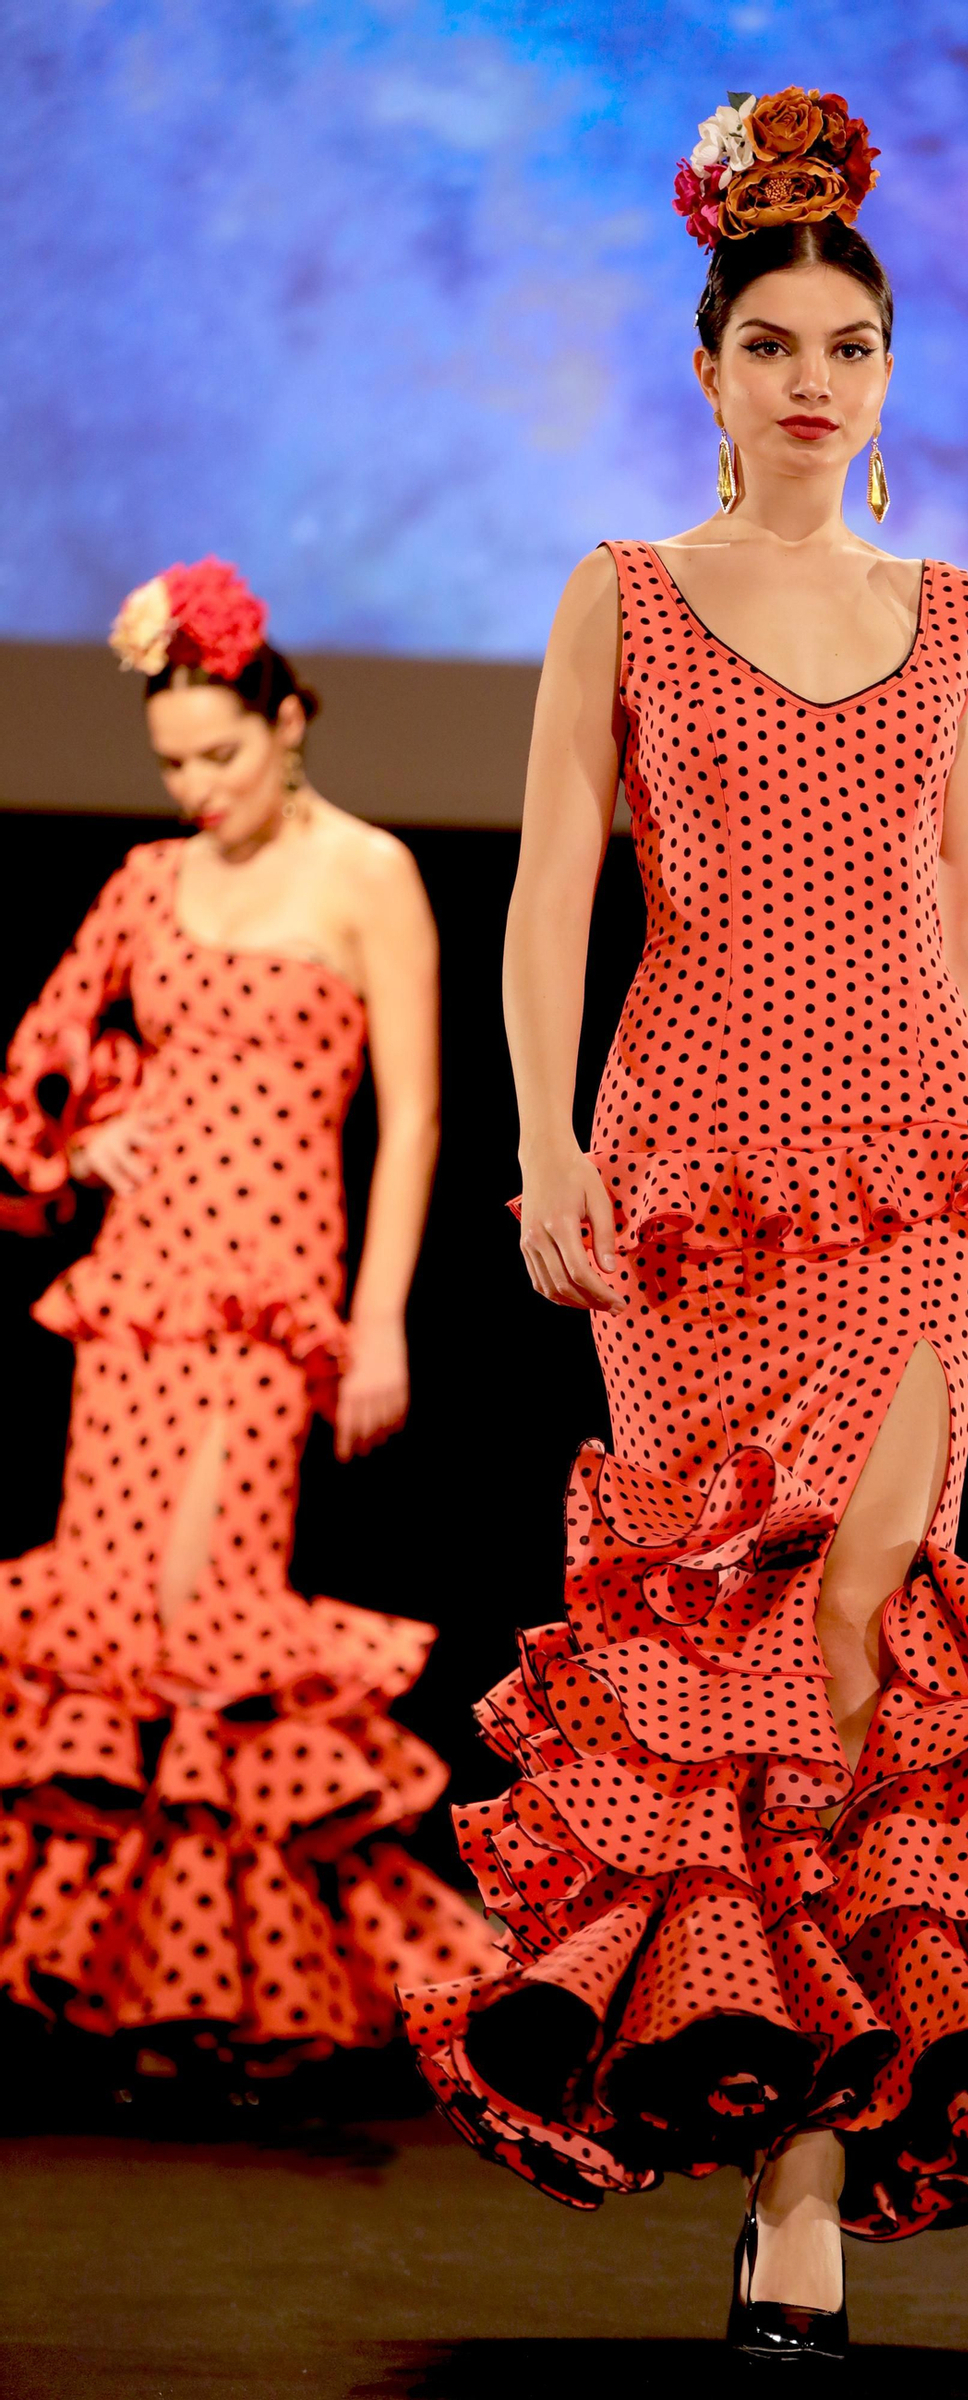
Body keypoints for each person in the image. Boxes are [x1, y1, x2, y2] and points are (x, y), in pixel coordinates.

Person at [403, 88, 968, 2363]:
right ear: (707, 365)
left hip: (914, 1180)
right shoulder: (623, 593)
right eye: (768, 338)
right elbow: (549, 880)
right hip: (681, 1185)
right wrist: (544, 1144)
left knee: (869, 1625)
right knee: (720, 1636)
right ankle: (752, 2073)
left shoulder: (945, 615)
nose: (806, 377)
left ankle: (806, 2171)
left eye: (843, 342)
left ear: (883, 370)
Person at [0, 557, 498, 2106]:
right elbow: (40, 1050)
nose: (199, 785)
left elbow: (413, 1118)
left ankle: (226, 1998)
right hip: (138, 1288)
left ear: (287, 723)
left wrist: (382, 1321)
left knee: (209, 1610)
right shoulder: (149, 883)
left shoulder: (369, 874)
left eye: (222, 753)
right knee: (112, 1621)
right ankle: (121, 1999)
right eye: (173, 764)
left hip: (275, 1296)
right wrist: (71, 1153)